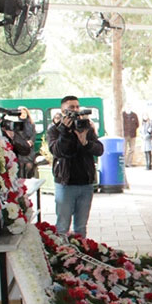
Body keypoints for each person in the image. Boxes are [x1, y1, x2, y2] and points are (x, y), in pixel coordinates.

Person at [47, 96, 104, 238]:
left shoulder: (86, 127)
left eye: (77, 107)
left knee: (81, 227)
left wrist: (86, 142)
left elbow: (99, 150)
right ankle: (63, 251)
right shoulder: (55, 130)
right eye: (71, 107)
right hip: (65, 184)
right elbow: (58, 151)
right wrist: (65, 132)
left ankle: (81, 250)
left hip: (85, 183)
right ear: (63, 110)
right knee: (62, 226)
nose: (75, 110)